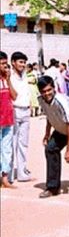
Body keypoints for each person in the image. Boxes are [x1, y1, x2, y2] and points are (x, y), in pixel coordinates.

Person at [9, 51, 34, 183]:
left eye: (24, 62)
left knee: (23, 143)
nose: (23, 65)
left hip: (25, 111)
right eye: (20, 62)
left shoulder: (25, 75)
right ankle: (10, 173)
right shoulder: (10, 76)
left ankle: (22, 171)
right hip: (14, 110)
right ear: (13, 62)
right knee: (12, 142)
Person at [0, 51, 17, 188]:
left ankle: (5, 178)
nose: (5, 66)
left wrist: (9, 79)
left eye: (6, 64)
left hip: (8, 119)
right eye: (2, 64)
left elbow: (14, 96)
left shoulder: (6, 80)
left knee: (7, 150)